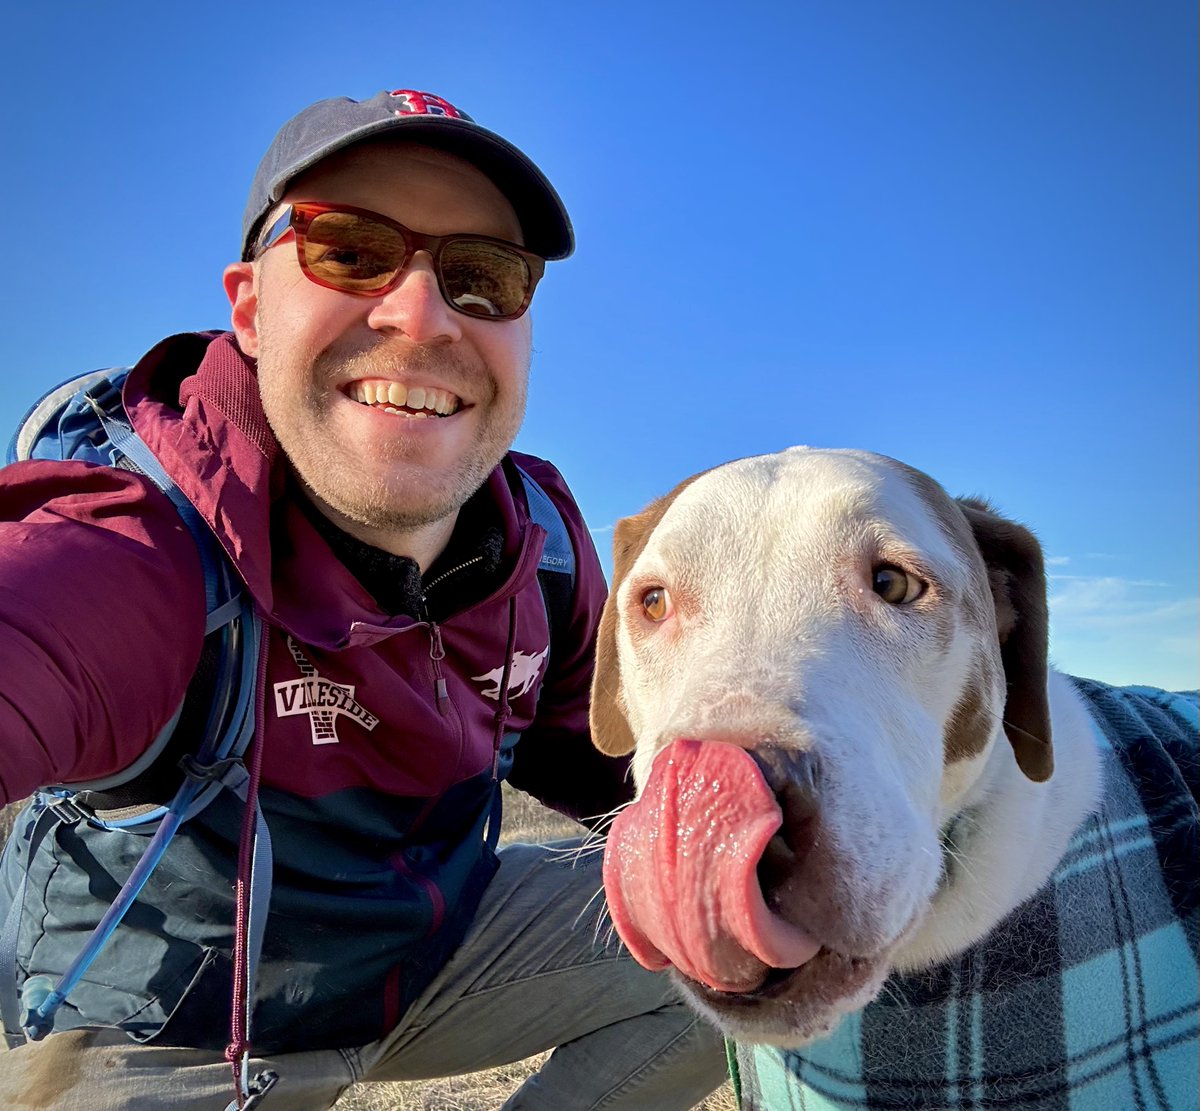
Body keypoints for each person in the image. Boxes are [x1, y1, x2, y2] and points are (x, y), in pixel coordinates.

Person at [0, 87, 726, 1110]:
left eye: (482, 275)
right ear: (250, 307)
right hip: (170, 1033)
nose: (421, 314)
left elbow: (622, 778)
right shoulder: (145, 544)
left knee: (728, 925)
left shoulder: (545, 552)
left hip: (427, 964)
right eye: (349, 250)